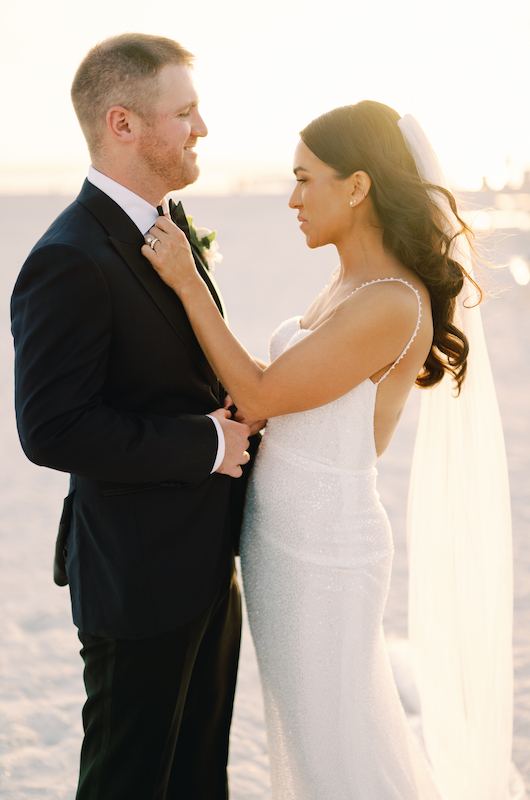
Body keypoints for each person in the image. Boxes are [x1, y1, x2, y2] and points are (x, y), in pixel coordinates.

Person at [143, 101, 520, 799]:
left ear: (357, 186)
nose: (290, 198)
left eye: (305, 179)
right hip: (289, 545)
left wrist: (189, 283)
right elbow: (319, 411)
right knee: (316, 748)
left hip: (324, 559)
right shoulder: (350, 282)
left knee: (339, 754)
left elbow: (261, 393)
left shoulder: (393, 302)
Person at [11, 33, 260, 800]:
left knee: (195, 779)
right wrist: (205, 442)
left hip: (208, 566)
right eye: (184, 113)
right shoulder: (69, 258)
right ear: (123, 125)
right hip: (138, 578)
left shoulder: (168, 223)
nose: (203, 129)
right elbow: (51, 428)